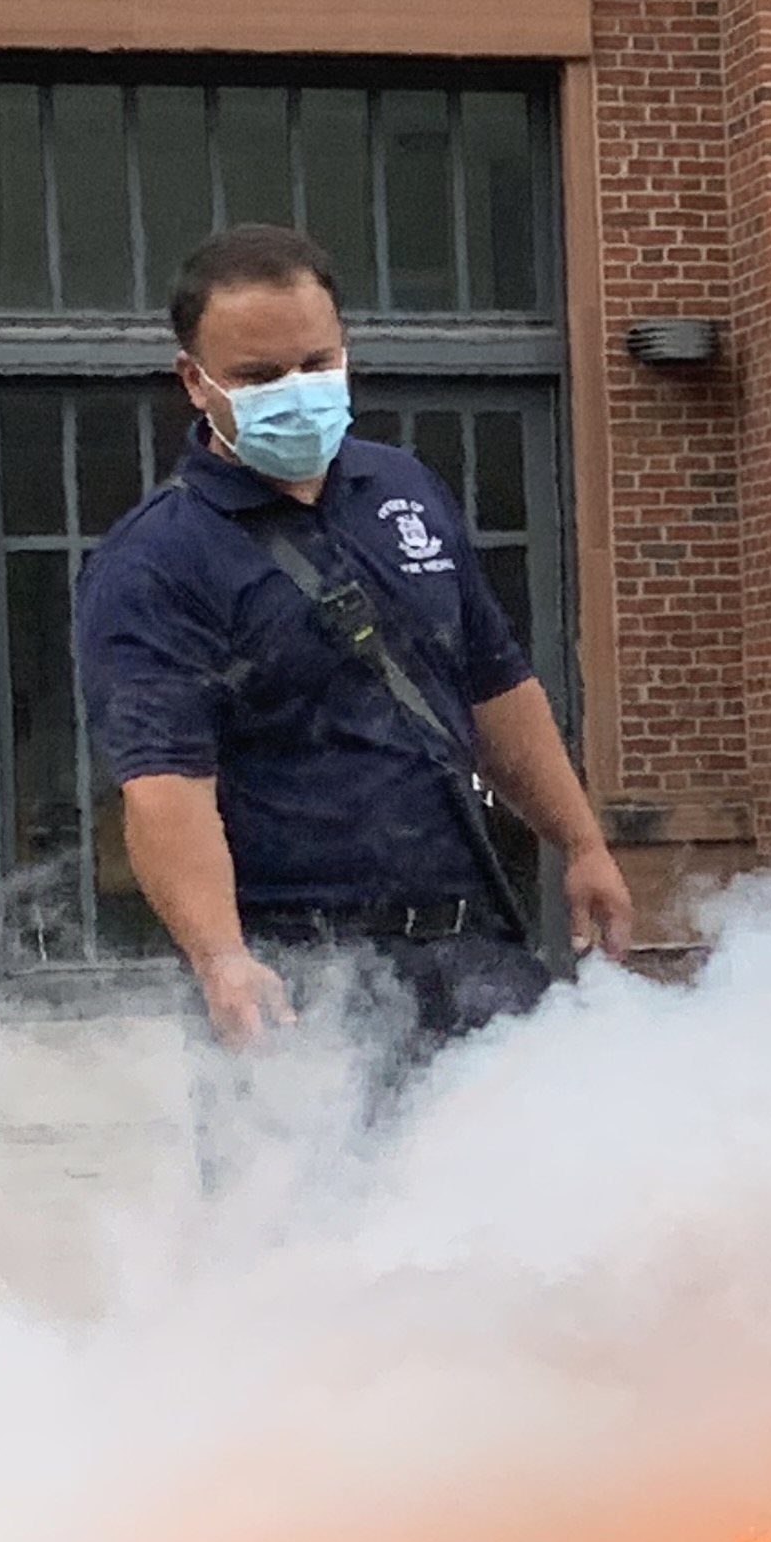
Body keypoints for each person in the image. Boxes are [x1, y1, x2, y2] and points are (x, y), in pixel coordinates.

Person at [76, 223, 632, 1063]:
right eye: (259, 377)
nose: (295, 391)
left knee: (531, 1190)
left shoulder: (404, 487)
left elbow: (494, 685)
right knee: (321, 1197)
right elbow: (163, 787)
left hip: (472, 942)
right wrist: (222, 960)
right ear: (195, 383)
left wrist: (581, 843)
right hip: (300, 975)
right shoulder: (156, 563)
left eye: (315, 364)